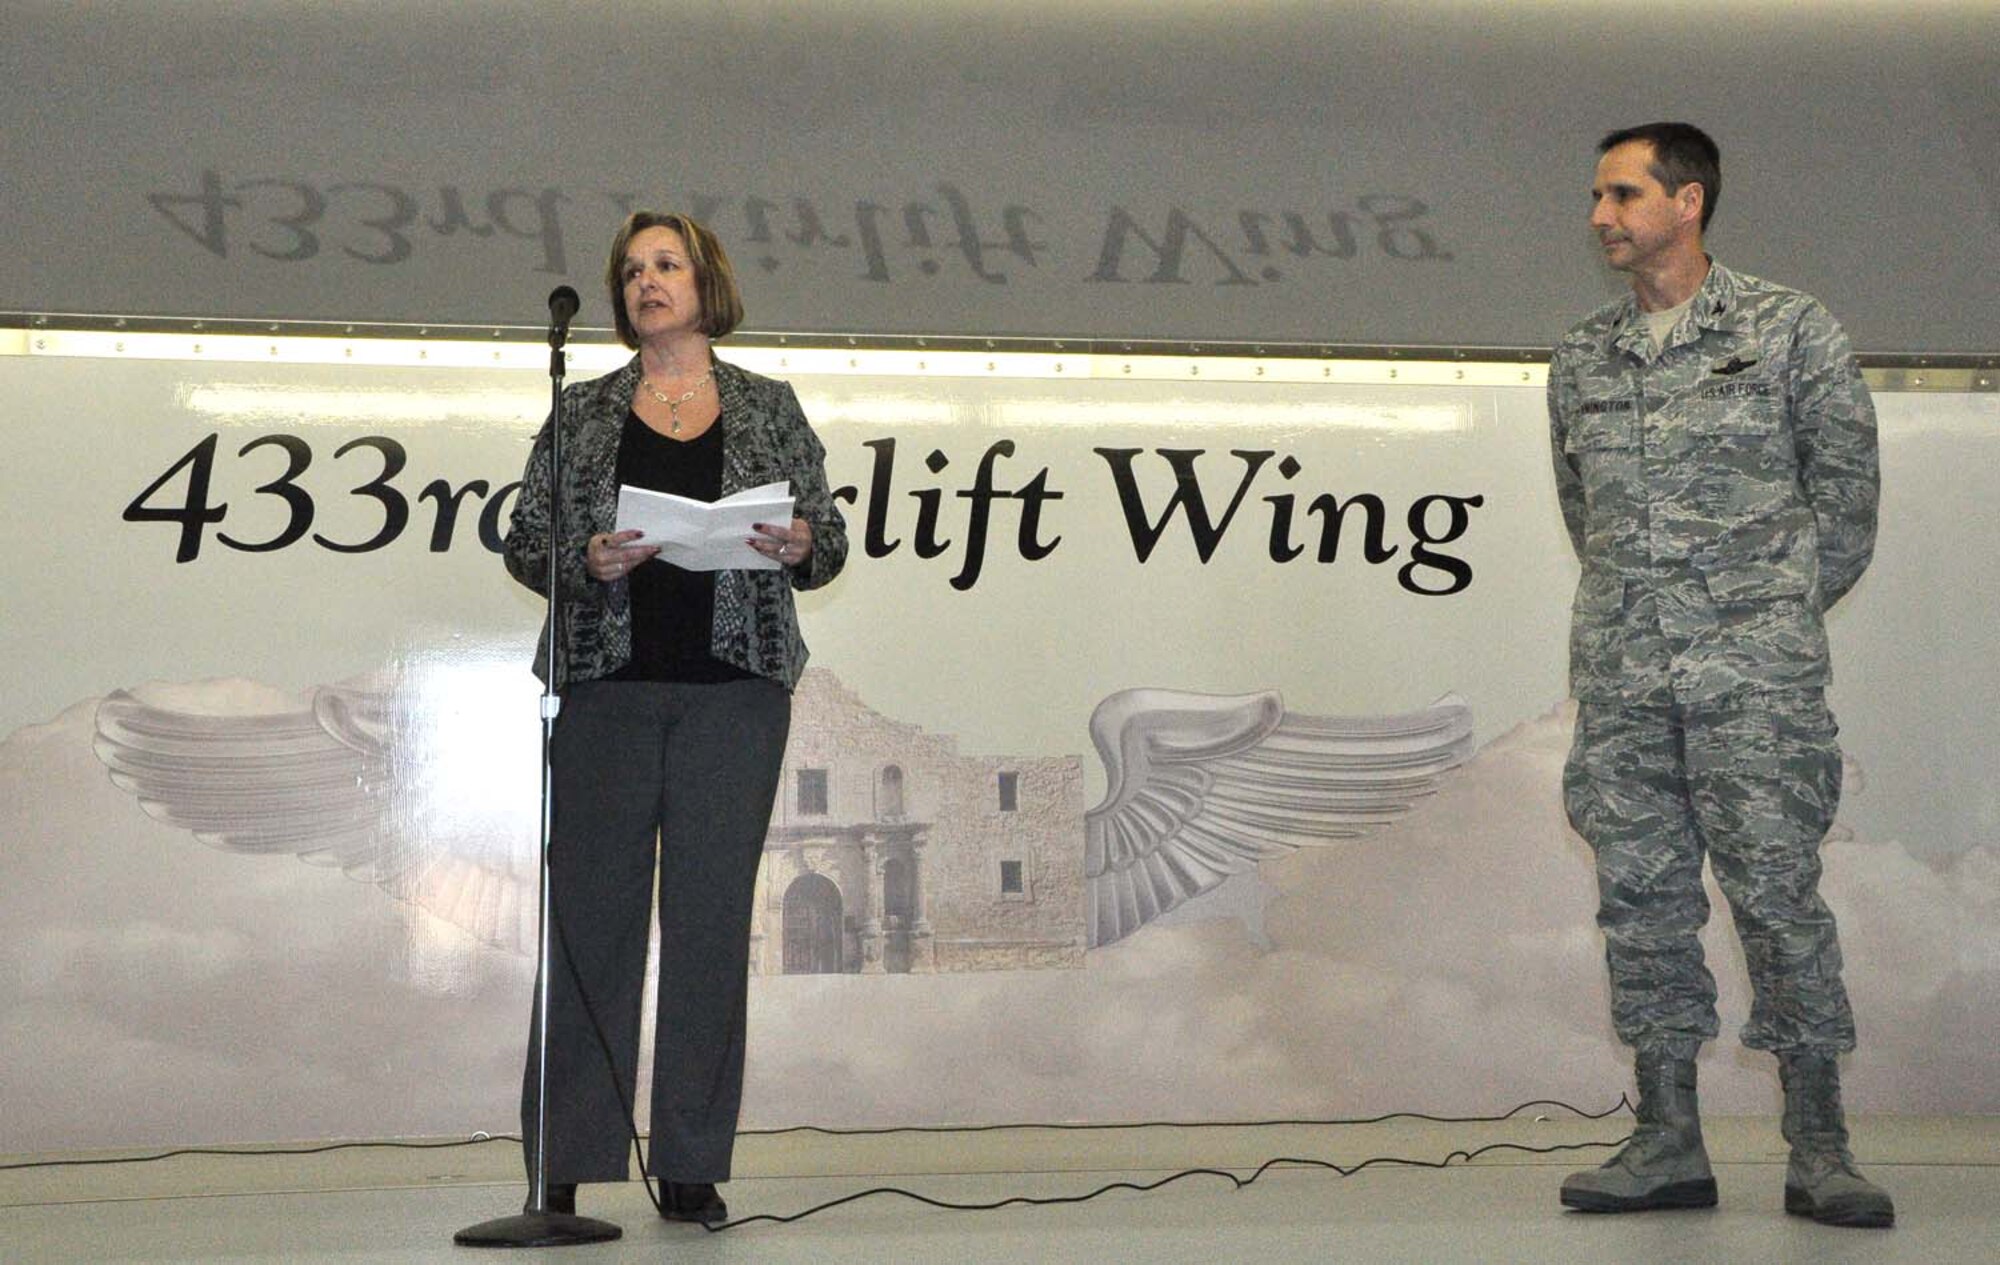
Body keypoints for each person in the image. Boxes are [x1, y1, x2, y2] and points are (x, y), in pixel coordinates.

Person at [1547, 123, 1891, 1228]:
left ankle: (1821, 1148)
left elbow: (1843, 507)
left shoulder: (1789, 331)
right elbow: (1582, 513)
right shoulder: (1581, 358)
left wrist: (1760, 622)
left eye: (1620, 193)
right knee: (1639, 905)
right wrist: (1643, 630)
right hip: (1623, 683)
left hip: (1754, 686)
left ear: (1685, 201)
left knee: (1779, 903)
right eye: (1597, 197)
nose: (1599, 215)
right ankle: (1665, 1140)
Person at [502, 210, 847, 1223]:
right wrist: (586, 559)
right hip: (608, 688)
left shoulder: (767, 405)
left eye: (667, 264)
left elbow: (826, 536)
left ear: (706, 284)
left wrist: (794, 545)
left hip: (733, 694)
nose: (647, 280)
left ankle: (691, 1162)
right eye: (632, 269)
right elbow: (525, 540)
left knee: (706, 929)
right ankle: (564, 1161)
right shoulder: (583, 411)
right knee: (590, 926)